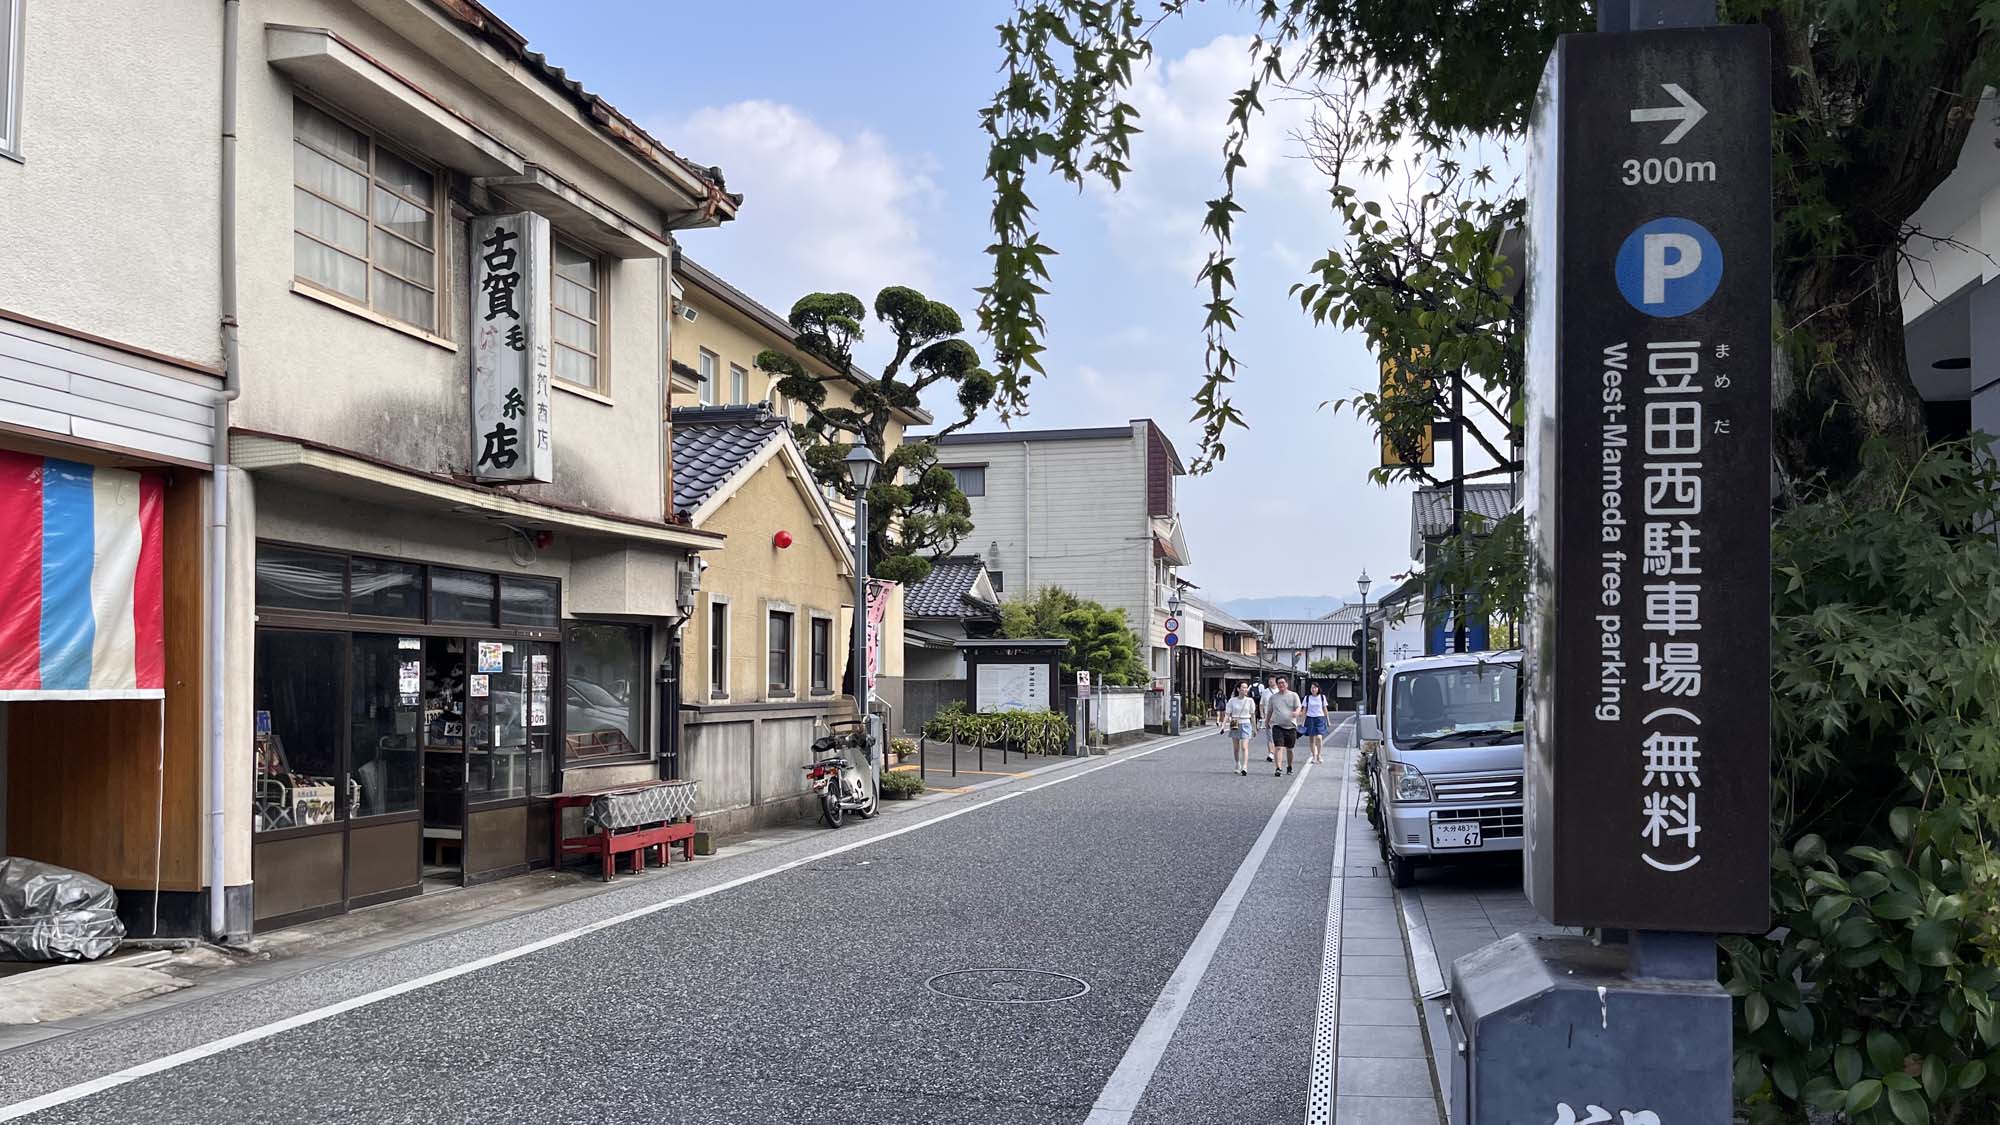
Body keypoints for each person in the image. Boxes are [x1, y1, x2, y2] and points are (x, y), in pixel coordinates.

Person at [1263, 675, 1303, 776]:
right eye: (1279, 683)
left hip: (1291, 726)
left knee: (1289, 749)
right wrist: (1267, 722)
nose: (1281, 685)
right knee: (1278, 747)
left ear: (1287, 684)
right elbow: (1270, 711)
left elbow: (1299, 707)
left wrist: (1296, 713)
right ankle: (1278, 768)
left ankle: (1289, 766)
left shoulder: (1293, 695)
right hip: (1277, 725)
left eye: (1283, 683)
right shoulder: (1273, 698)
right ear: (1277, 684)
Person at [1222, 681, 1259, 775]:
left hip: (1246, 722)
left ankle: (1245, 766)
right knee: (1236, 748)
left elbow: (1253, 715)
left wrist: (1254, 728)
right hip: (1235, 722)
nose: (1246, 689)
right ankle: (1237, 763)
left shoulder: (1250, 701)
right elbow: (1227, 714)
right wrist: (1223, 725)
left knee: (1244, 746)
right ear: (1238, 689)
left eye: (1246, 687)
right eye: (1243, 687)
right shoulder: (1232, 700)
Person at [1300, 681, 1331, 765]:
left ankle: (1319, 755)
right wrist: (1302, 722)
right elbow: (1304, 710)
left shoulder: (1322, 697)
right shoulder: (1307, 698)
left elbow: (1325, 709)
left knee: (1319, 737)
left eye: (1315, 688)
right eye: (1312, 688)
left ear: (1318, 689)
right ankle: (1314, 756)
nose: (1313, 689)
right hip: (1310, 719)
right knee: (1312, 739)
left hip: (1320, 718)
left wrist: (1328, 720)